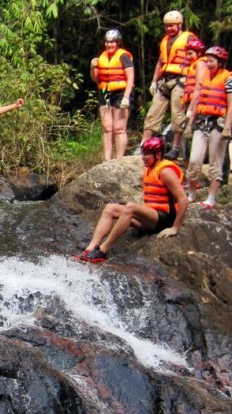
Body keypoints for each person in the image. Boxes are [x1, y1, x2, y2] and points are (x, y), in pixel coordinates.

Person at [75, 137, 188, 263]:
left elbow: (183, 199)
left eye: (147, 154)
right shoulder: (150, 169)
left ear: (158, 155)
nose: (143, 157)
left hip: (164, 218)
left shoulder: (166, 171)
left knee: (130, 207)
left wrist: (175, 228)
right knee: (110, 208)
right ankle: (89, 250)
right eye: (143, 154)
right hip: (151, 217)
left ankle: (102, 250)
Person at [135, 11, 197, 160]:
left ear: (179, 24)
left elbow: (196, 58)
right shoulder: (164, 41)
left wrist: (193, 81)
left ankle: (176, 148)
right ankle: (144, 144)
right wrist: (154, 81)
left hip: (181, 80)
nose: (169, 29)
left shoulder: (188, 38)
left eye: (172, 26)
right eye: (167, 26)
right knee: (153, 112)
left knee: (177, 114)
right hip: (165, 80)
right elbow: (160, 61)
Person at [183, 46, 232, 208]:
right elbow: (199, 100)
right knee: (194, 160)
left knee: (215, 161)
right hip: (202, 121)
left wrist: (228, 127)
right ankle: (191, 194)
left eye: (212, 61)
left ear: (220, 62)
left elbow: (231, 105)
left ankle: (211, 198)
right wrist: (189, 124)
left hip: (219, 123)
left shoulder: (229, 79)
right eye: (207, 61)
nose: (208, 63)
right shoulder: (205, 77)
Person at [90, 29, 134, 160]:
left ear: (118, 43)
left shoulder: (123, 56)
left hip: (121, 92)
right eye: (108, 42)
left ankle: (119, 159)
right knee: (107, 127)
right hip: (105, 92)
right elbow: (94, 78)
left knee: (119, 128)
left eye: (112, 42)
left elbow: (130, 78)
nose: (110, 45)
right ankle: (107, 159)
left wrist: (126, 97)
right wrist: (92, 67)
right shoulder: (101, 57)